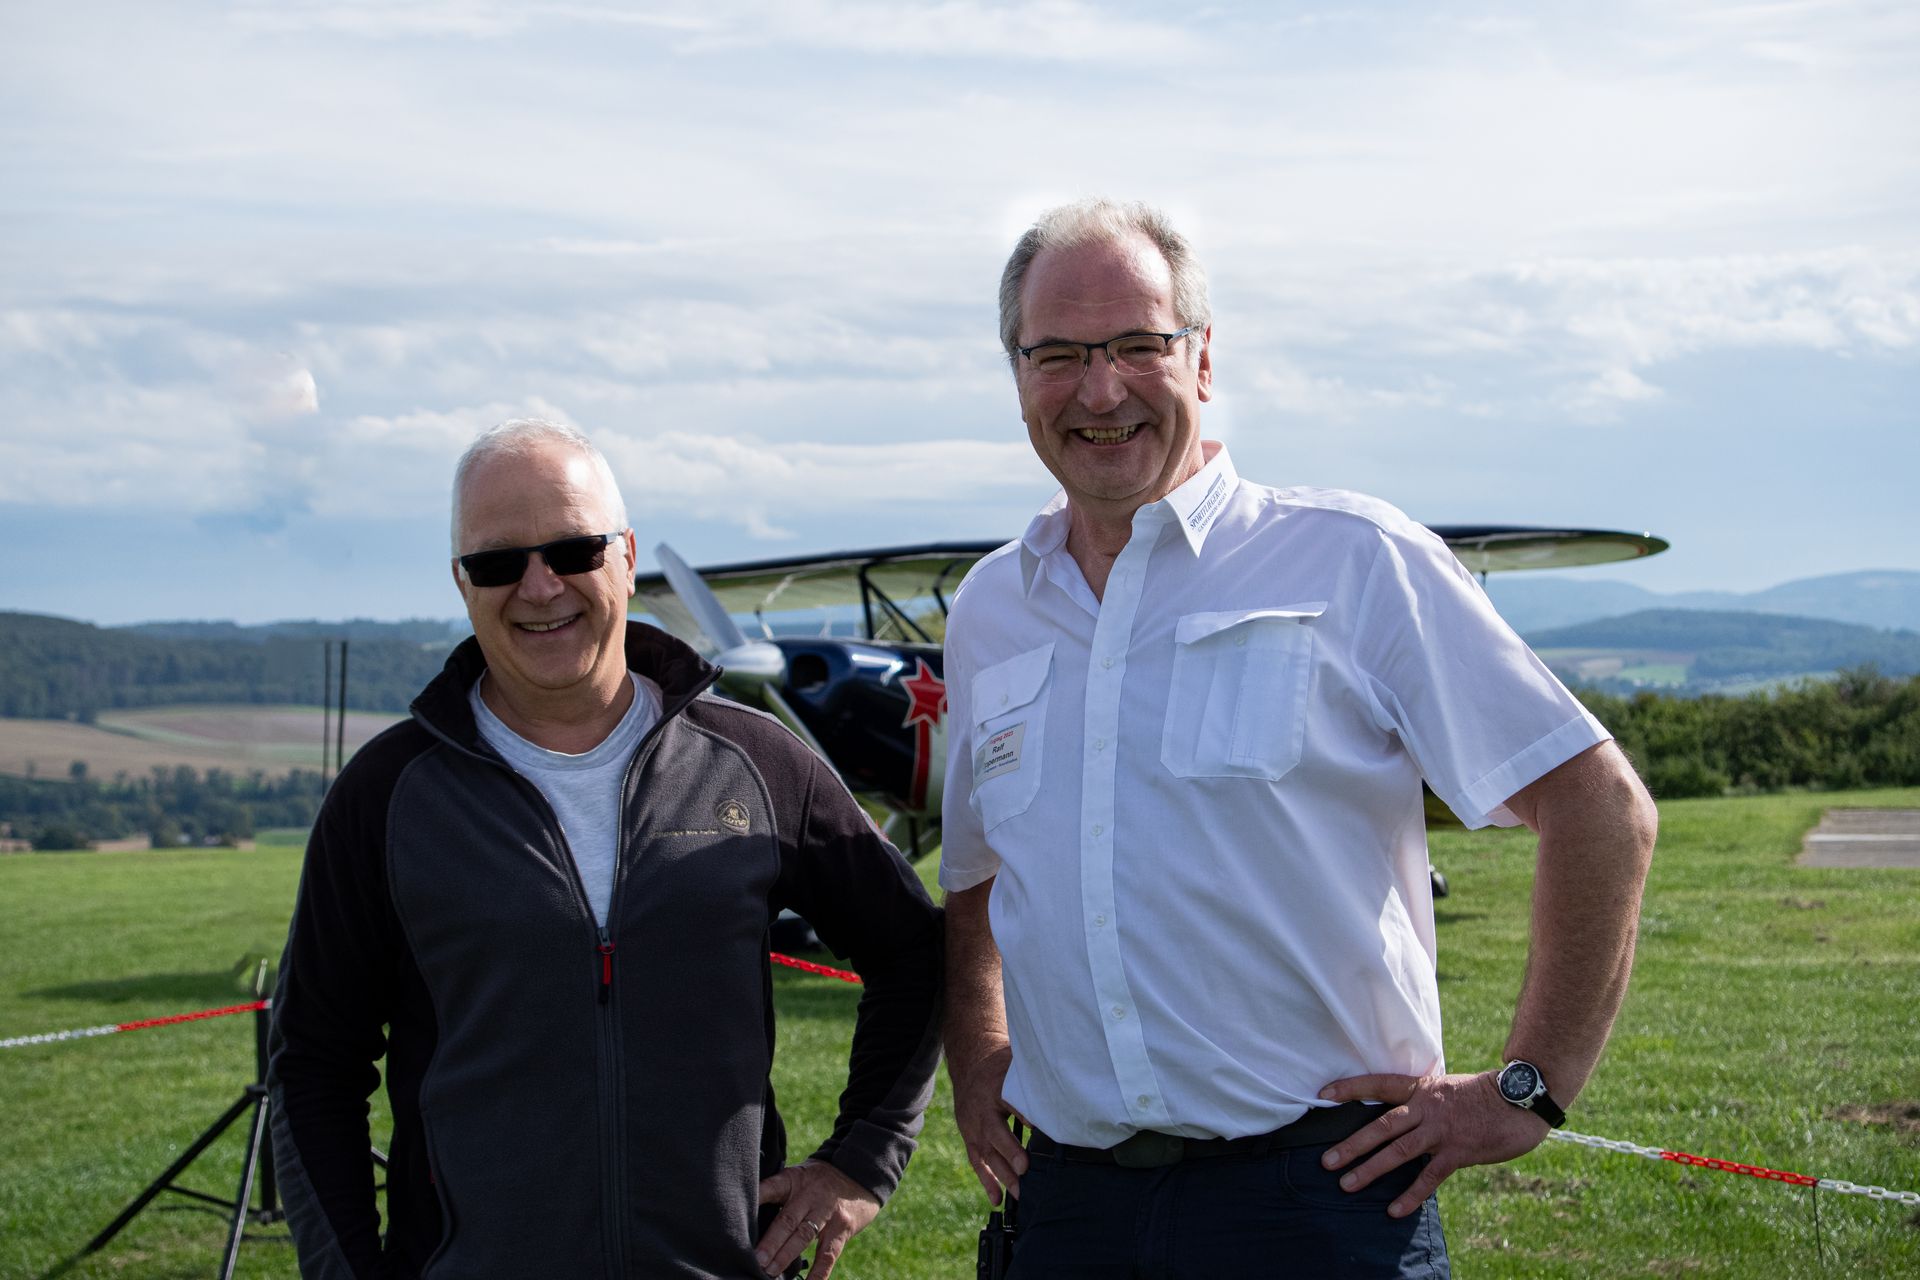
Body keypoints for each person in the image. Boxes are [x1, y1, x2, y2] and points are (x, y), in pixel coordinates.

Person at [940, 200, 1657, 1278]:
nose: (1101, 389)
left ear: (1204, 358)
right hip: (1072, 1206)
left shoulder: (1351, 559)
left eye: (1140, 345)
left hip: (1317, 1200)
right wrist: (978, 1051)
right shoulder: (992, 606)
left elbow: (1601, 806)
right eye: (1060, 354)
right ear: (1017, 372)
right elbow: (979, 873)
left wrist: (1527, 1087)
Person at [268, 418, 943, 1280]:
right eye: (497, 562)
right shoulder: (386, 795)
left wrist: (865, 1155)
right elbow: (315, 1065)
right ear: (461, 583)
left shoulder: (760, 763)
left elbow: (915, 952)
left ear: (625, 556)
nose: (539, 587)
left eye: (573, 550)